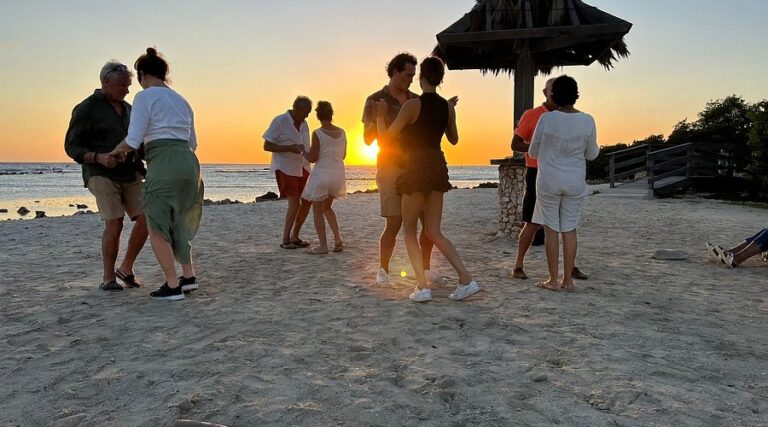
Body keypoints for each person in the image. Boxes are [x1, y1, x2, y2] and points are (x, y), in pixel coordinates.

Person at [375, 56, 480, 302]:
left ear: (421, 76)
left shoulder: (412, 105)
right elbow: (453, 139)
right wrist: (448, 114)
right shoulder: (447, 107)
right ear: (441, 79)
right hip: (436, 164)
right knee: (434, 230)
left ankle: (422, 287)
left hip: (415, 165)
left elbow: (386, 140)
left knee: (409, 231)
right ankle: (466, 279)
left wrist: (380, 116)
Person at [109, 47, 203, 301]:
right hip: (189, 163)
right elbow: (193, 141)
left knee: (157, 225)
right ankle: (188, 277)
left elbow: (134, 137)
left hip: (164, 162)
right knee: (178, 220)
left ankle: (173, 286)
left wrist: (118, 150)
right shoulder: (182, 100)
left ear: (141, 74)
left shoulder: (145, 97)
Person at [362, 53, 446, 287]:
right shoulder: (374, 100)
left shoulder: (416, 99)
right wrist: (381, 121)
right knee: (394, 222)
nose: (411, 79)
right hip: (390, 166)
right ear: (395, 72)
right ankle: (383, 269)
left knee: (426, 223)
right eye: (407, 75)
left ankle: (425, 269)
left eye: (413, 76)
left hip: (416, 167)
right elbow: (369, 139)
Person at [64, 60, 148, 292]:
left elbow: (136, 143)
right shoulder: (86, 109)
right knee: (115, 221)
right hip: (100, 172)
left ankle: (126, 268)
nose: (127, 90)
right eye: (122, 85)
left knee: (147, 219)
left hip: (130, 172)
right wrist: (99, 157)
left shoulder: (130, 109)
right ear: (105, 82)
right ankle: (108, 278)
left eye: (128, 85)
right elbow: (71, 146)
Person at [511, 78, 588, 281]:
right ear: (546, 92)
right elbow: (516, 143)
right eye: (551, 89)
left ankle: (569, 269)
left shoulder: (573, 118)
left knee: (565, 225)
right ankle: (518, 264)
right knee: (532, 223)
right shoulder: (533, 115)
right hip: (537, 172)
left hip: (560, 175)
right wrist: (543, 148)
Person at [528, 75, 599, 291]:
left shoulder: (546, 119)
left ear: (553, 94)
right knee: (570, 228)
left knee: (551, 230)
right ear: (576, 94)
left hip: (549, 180)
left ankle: (552, 280)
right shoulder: (588, 120)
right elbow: (592, 154)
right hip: (575, 181)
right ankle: (568, 281)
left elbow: (532, 151)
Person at [264, 97, 313, 250]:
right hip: (286, 167)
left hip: (303, 166)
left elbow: (307, 147)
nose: (307, 116)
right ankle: (285, 239)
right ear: (297, 109)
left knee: (307, 200)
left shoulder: (305, 124)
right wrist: (289, 148)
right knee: (294, 202)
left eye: (309, 113)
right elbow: (267, 145)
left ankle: (295, 236)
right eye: (305, 113)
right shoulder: (280, 121)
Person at [301, 101, 347, 254]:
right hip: (338, 174)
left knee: (317, 210)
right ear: (331, 114)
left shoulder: (318, 133)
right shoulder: (342, 132)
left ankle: (323, 246)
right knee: (327, 207)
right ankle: (338, 238)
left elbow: (313, 158)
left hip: (322, 173)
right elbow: (344, 155)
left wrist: (302, 151)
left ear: (318, 115)